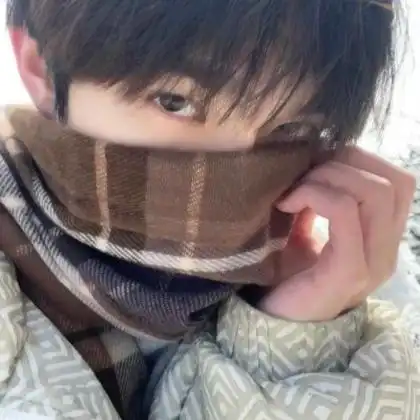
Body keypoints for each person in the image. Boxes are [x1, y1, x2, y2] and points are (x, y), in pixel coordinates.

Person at [0, 0, 418, 419]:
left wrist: (294, 345)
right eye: (174, 101)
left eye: (291, 127)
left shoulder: (336, 265)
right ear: (42, 70)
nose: (235, 175)